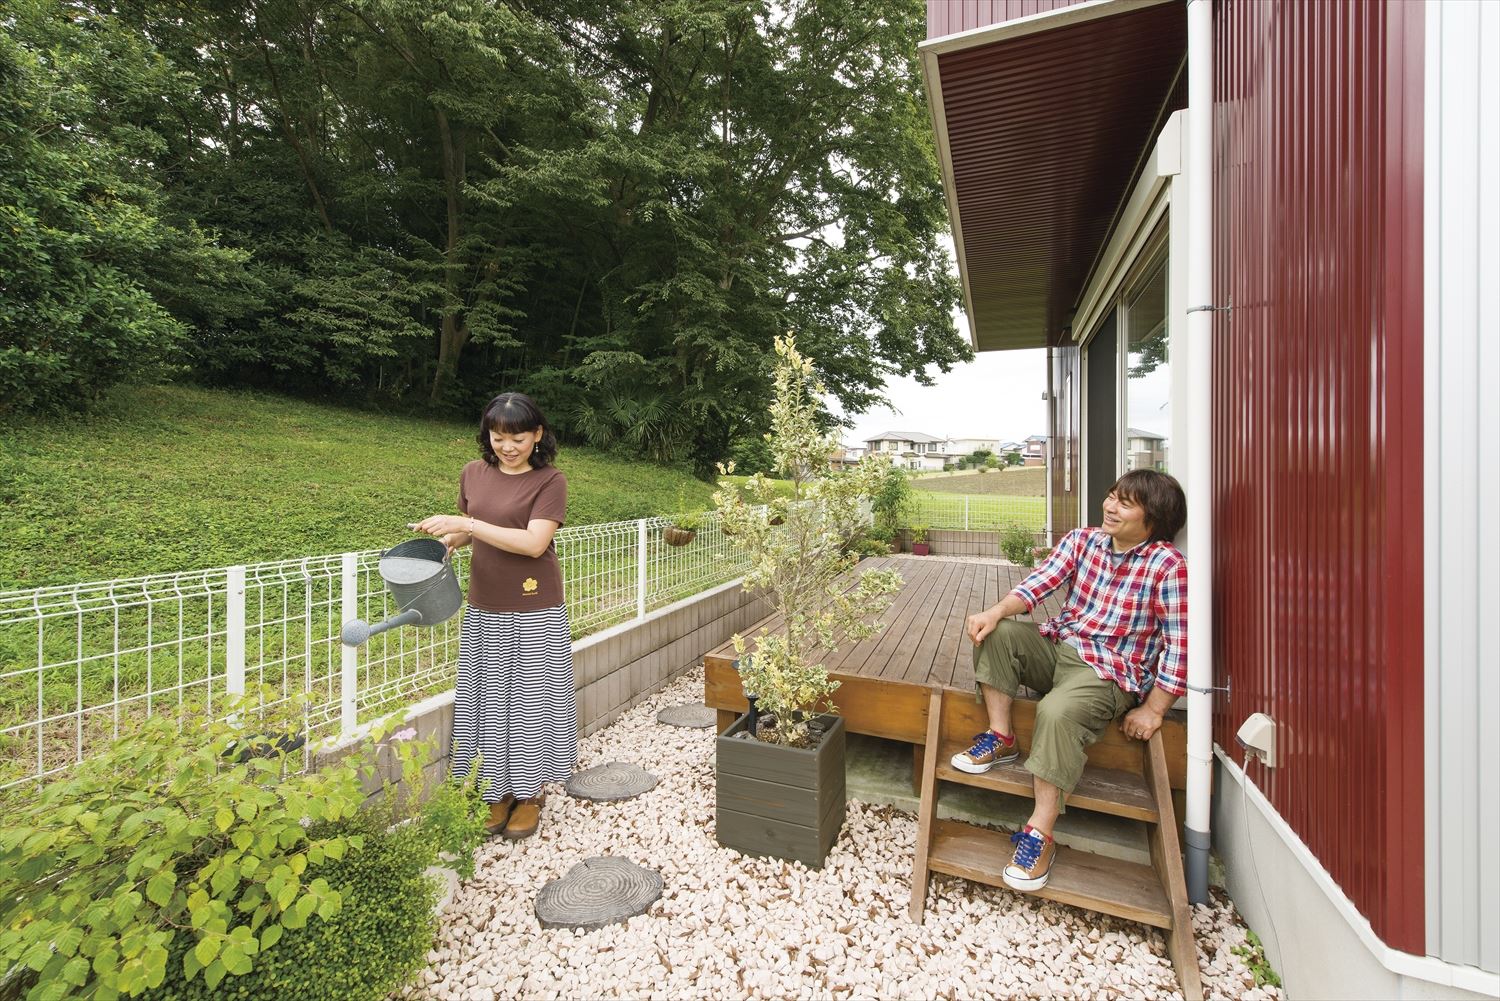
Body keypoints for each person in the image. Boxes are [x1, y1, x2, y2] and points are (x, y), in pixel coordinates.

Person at [954, 469, 1187, 892]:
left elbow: (1180, 643)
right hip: (1061, 646)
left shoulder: (1167, 565)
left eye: (1125, 502)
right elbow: (1038, 585)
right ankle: (1002, 736)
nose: (1110, 506)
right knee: (1000, 633)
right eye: (1111, 496)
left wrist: (1154, 708)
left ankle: (1040, 833)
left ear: (1153, 518)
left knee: (1056, 712)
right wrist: (995, 611)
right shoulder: (1084, 540)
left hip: (1110, 671)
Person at [413, 392, 574, 841]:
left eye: (518, 438)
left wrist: (467, 525)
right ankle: (497, 789)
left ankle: (529, 793)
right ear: (488, 436)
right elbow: (471, 530)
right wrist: (445, 541)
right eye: (499, 437)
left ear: (537, 436)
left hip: (533, 604)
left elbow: (532, 543)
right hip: (485, 602)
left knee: (527, 702)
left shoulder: (550, 481)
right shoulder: (473, 473)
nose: (507, 446)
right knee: (488, 700)